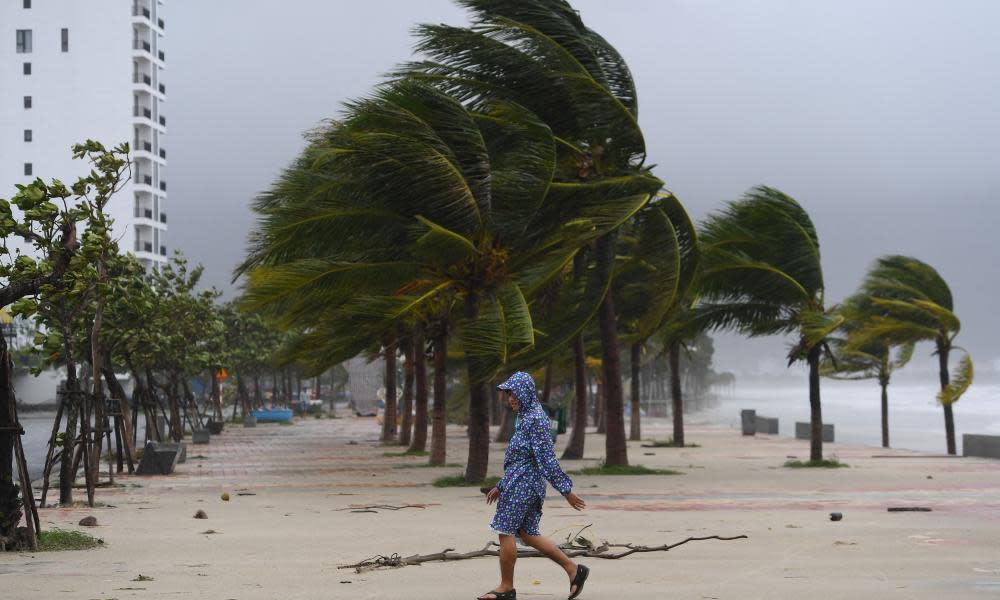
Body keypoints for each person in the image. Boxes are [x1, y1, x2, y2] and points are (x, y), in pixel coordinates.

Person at [478, 371, 590, 600]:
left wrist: (566, 490)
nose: (510, 398)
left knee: (505, 530)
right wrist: (501, 485)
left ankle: (506, 588)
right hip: (521, 482)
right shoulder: (527, 416)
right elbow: (521, 458)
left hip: (524, 485)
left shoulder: (536, 420)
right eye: (508, 394)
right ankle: (574, 570)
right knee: (528, 534)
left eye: (514, 393)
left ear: (525, 392)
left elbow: (547, 459)